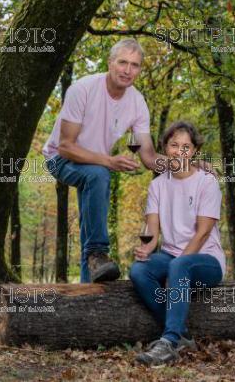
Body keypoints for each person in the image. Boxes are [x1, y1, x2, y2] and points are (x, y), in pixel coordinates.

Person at [43, 38, 165, 283]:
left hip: (95, 166)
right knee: (99, 174)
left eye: (135, 65)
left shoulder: (138, 103)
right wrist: (109, 161)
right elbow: (66, 146)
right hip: (60, 159)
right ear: (110, 63)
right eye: (122, 62)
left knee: (94, 190)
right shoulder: (83, 89)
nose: (127, 70)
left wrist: (187, 166)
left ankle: (89, 292)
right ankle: (99, 252)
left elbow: (150, 157)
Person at [129, 121, 226, 366]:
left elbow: (203, 233)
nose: (179, 151)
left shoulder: (207, 182)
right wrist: (147, 247)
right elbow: (152, 228)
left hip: (206, 260)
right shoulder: (158, 185)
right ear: (165, 148)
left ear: (194, 151)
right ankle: (180, 332)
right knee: (139, 270)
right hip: (172, 257)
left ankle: (169, 342)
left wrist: (179, 263)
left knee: (178, 266)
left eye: (186, 146)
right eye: (174, 145)